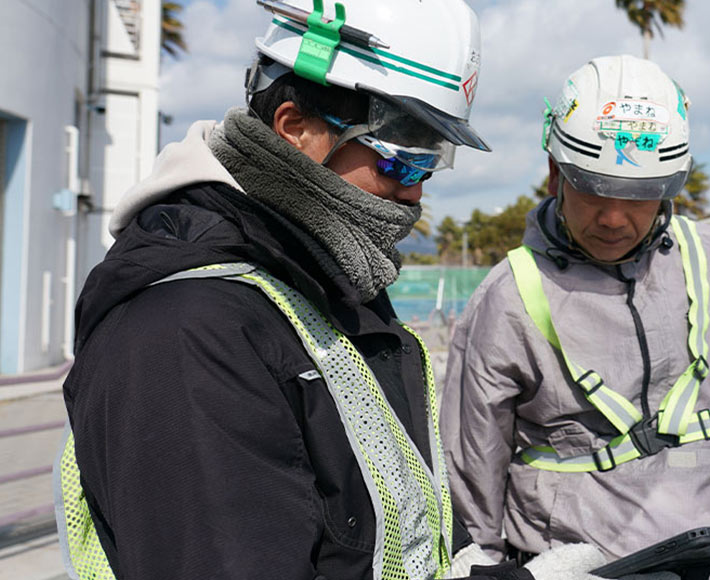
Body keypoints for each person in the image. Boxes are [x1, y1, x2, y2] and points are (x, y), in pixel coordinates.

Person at [52, 2, 617, 579]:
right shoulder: (187, 333)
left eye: (430, 165)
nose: (416, 194)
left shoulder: (324, 287)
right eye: (402, 161)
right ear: (296, 128)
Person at [440, 55, 710, 580]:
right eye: (593, 188)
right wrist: (479, 562)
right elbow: (472, 458)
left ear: (670, 187)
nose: (613, 218)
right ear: (556, 173)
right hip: (579, 566)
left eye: (640, 195)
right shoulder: (508, 298)